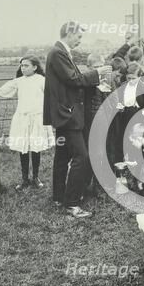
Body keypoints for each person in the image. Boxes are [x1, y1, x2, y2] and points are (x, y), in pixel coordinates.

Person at [43, 21, 112, 218]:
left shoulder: (59, 52)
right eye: (79, 37)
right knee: (81, 156)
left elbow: (72, 80)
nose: (80, 41)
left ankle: (58, 197)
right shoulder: (58, 53)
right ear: (69, 33)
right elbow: (74, 79)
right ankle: (72, 203)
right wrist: (98, 73)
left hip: (64, 114)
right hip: (68, 115)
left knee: (62, 156)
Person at [0, 56, 54, 190]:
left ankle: (36, 177)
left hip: (37, 118)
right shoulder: (18, 81)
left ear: (35, 67)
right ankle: (24, 178)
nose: (23, 68)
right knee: (23, 148)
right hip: (22, 119)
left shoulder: (42, 81)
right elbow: (2, 91)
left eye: (26, 65)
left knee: (36, 148)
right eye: (22, 65)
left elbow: (52, 96)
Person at [113, 62, 144, 164]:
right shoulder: (122, 86)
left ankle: (138, 165)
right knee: (121, 141)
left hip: (137, 116)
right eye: (129, 78)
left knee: (136, 142)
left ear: (139, 77)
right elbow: (117, 99)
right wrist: (119, 105)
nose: (131, 81)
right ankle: (120, 168)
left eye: (133, 78)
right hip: (123, 116)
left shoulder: (142, 87)